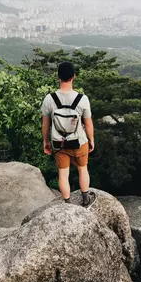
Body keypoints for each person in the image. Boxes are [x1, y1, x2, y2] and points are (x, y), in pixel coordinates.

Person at [41, 61, 95, 206]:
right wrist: (91, 140)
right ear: (74, 77)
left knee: (63, 174)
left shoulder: (49, 99)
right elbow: (88, 124)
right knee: (82, 169)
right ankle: (85, 198)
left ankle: (67, 203)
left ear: (58, 77)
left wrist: (46, 142)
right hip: (79, 141)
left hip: (59, 144)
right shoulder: (82, 99)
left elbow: (46, 124)